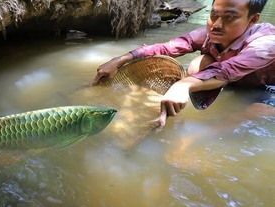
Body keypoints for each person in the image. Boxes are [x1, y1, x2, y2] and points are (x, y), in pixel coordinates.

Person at [93, 0, 275, 127]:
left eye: (229, 17)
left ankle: (197, 136)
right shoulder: (211, 33)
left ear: (252, 20)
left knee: (255, 111)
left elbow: (228, 69)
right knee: (197, 65)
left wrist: (183, 85)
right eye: (213, 14)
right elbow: (168, 47)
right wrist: (121, 59)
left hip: (267, 89)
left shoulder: (265, 43)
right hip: (229, 79)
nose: (216, 24)